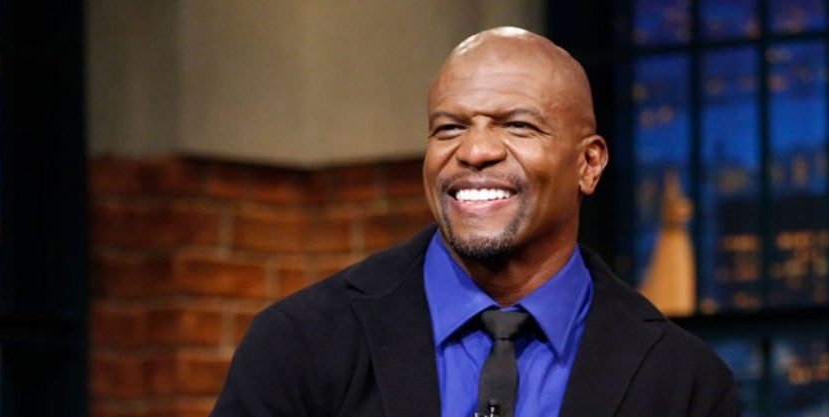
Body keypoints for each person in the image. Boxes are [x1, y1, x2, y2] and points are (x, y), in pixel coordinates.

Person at [210, 27, 738, 417]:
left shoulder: (682, 382)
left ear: (588, 164)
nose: (475, 150)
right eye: (449, 128)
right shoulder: (302, 342)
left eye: (518, 126)